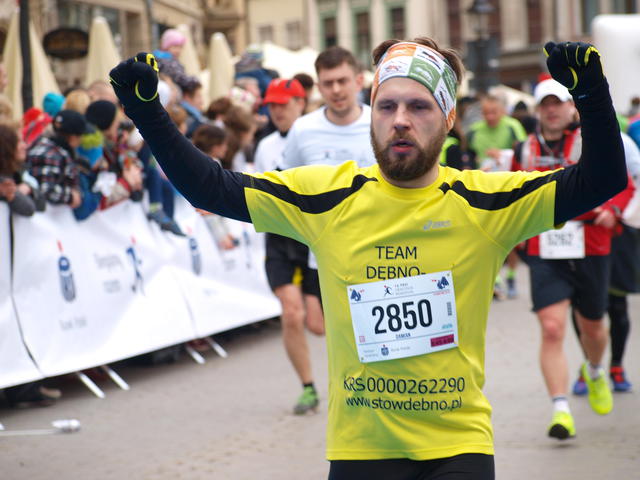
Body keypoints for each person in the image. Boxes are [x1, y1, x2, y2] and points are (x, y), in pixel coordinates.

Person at [111, 38, 626, 479]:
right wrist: (148, 113)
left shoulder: (484, 202)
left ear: (449, 118)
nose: (400, 121)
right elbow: (212, 187)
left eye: (419, 107)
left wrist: (590, 95)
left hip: (458, 446)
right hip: (361, 450)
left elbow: (602, 178)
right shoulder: (328, 197)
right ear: (371, 114)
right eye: (386, 106)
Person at [511, 77, 634, 440]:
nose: (551, 110)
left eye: (558, 103)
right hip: (544, 246)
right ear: (538, 111)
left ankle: (595, 369)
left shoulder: (591, 142)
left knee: (593, 326)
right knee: (552, 327)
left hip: (591, 244)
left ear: (571, 108)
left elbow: (624, 183)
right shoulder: (524, 149)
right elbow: (509, 190)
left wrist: (613, 209)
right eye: (545, 104)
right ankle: (560, 409)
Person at [254, 78, 325, 414]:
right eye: (271, 105)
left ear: (301, 102)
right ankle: (308, 387)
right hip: (279, 239)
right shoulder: (264, 145)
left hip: (312, 237)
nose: (276, 111)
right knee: (291, 313)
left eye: (283, 104)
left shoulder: (317, 135)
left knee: (318, 325)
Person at [279, 46, 375, 170]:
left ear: (359, 82)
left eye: (342, 81)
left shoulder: (379, 124)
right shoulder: (301, 129)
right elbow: (285, 177)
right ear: (319, 87)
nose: (336, 90)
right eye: (328, 83)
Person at [26, 110, 88, 209]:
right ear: (72, 137)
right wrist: (70, 197)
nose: (81, 141)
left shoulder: (55, 149)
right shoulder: (50, 154)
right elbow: (45, 189)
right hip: (46, 215)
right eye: (80, 136)